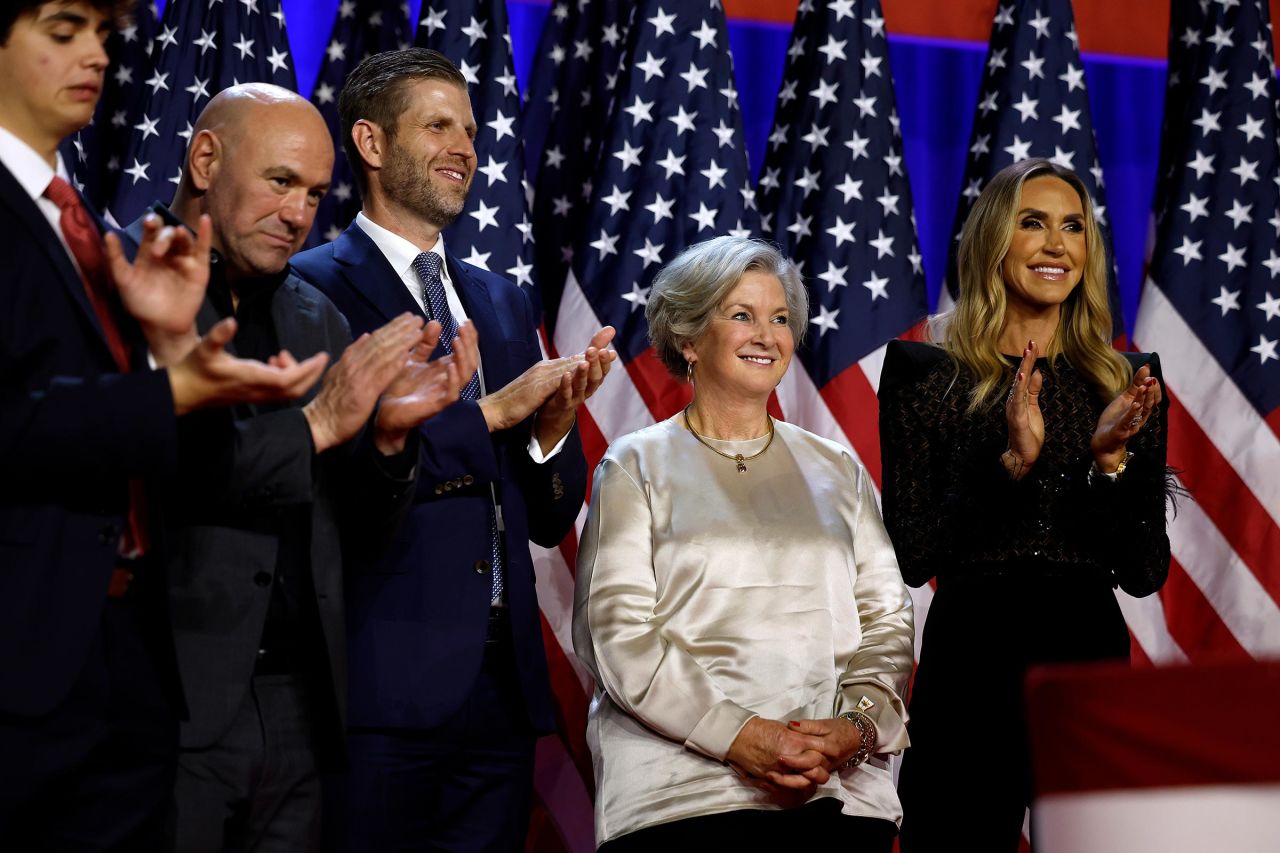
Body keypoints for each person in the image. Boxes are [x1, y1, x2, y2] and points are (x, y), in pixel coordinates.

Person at [0, 3, 328, 849]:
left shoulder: (79, 228)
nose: (97, 56)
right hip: (30, 664)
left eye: (104, 37)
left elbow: (156, 450)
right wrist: (171, 387)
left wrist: (168, 357)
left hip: (117, 670)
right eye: (65, 31)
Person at [122, 83, 477, 852]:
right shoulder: (123, 282)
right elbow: (165, 473)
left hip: (300, 708)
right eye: (281, 182)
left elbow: (355, 527)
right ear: (205, 157)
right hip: (160, 697)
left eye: (315, 193)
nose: (298, 213)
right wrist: (318, 423)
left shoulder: (316, 315)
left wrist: (386, 439)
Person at [289, 48, 615, 850]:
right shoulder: (310, 286)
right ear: (370, 143)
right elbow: (336, 472)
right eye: (437, 125)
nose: (466, 148)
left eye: (469, 129)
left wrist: (549, 432)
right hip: (376, 683)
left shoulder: (501, 299)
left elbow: (545, 520)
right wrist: (495, 413)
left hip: (500, 686)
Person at [572, 236, 915, 850]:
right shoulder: (634, 465)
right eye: (741, 315)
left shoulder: (837, 467)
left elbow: (887, 618)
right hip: (682, 797)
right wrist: (740, 735)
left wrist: (853, 729)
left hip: (836, 790)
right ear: (688, 337)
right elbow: (616, 635)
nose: (768, 335)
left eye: (780, 318)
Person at [880, 159, 1172, 851]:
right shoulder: (925, 372)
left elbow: (1143, 569)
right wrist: (1009, 461)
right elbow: (916, 552)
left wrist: (1109, 462)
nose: (1055, 244)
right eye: (1032, 223)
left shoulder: (1125, 381)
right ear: (993, 240)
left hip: (1086, 657)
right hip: (971, 657)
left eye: (1073, 227)